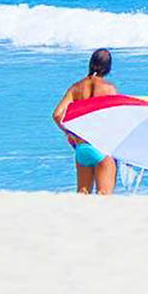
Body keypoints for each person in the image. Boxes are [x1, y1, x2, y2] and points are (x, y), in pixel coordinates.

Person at [52, 48, 118, 194]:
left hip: (81, 148)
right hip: (101, 147)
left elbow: (57, 114)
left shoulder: (75, 88)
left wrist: (68, 132)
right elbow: (114, 119)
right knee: (104, 196)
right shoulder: (109, 89)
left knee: (82, 197)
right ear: (108, 67)